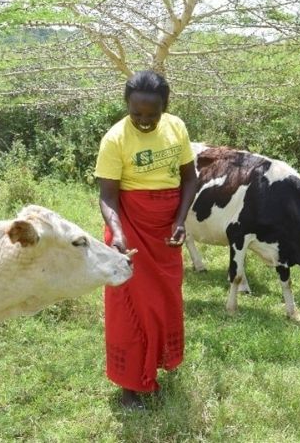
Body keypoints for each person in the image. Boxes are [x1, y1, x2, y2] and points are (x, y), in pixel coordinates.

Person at [95, 70, 198, 409]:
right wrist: (119, 234)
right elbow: (108, 196)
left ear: (164, 108)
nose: (142, 120)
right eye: (136, 112)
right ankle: (129, 386)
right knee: (129, 308)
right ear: (127, 105)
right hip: (129, 229)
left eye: (151, 114)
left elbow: (189, 178)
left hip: (166, 232)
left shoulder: (176, 128)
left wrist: (180, 221)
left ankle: (157, 364)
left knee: (164, 302)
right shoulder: (114, 139)